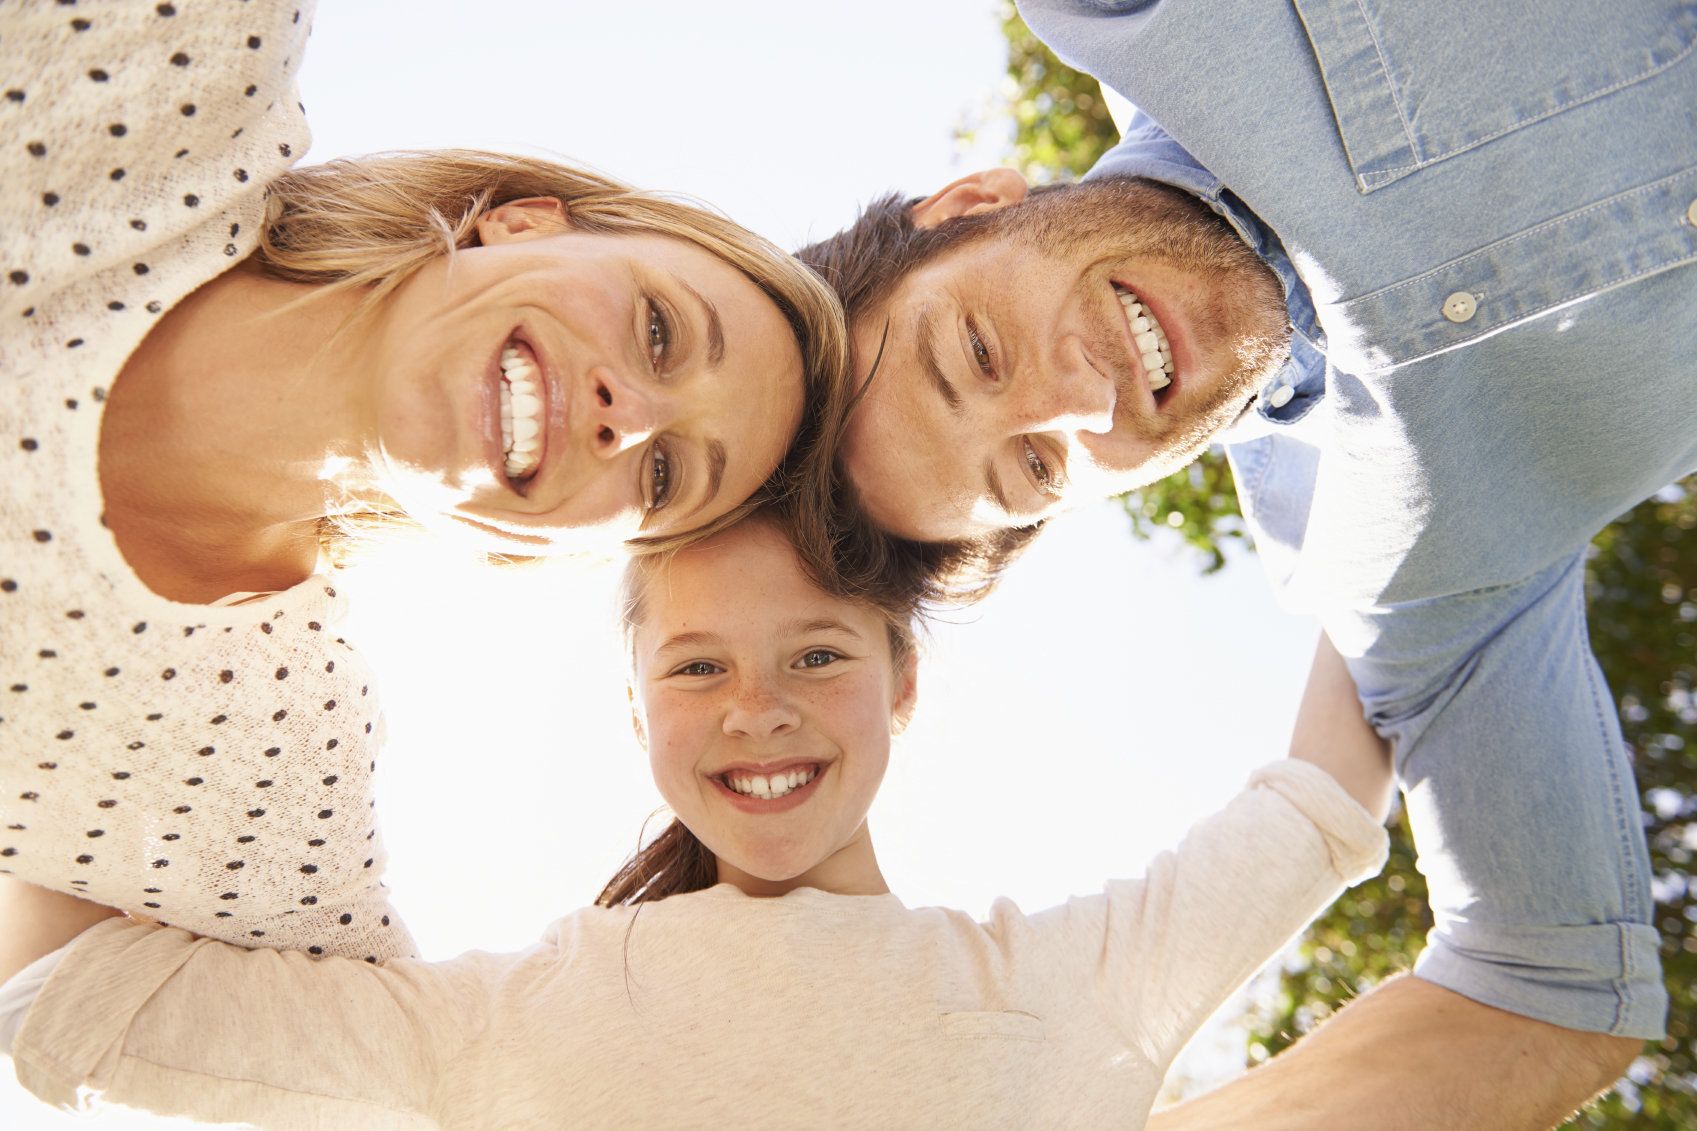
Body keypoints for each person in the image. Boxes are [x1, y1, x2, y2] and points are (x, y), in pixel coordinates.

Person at [797, 1, 1694, 1124]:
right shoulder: (1386, 561)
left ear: (969, 208)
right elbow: (1548, 991)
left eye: (977, 349)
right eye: (1033, 466)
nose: (1081, 398)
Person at [0, 501, 1391, 1127]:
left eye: (817, 654)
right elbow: (76, 998)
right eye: (696, 667)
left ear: (903, 680)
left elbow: (1321, 792)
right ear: (635, 710)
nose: (757, 709)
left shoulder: (1065, 986)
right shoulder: (509, 1022)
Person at [1, 0, 847, 962]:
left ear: (567, 546)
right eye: (659, 330)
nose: (635, 416)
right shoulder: (185, 61)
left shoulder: (264, 754)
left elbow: (362, 1037)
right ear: (522, 222)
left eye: (662, 473)